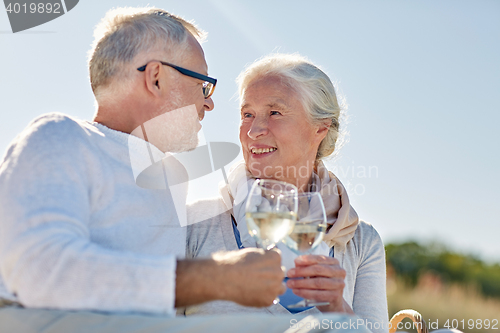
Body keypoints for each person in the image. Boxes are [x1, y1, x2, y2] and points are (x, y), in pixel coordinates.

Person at [0, 5, 288, 322]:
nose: (209, 101)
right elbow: (38, 272)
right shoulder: (61, 136)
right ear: (155, 78)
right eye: (202, 84)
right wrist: (216, 277)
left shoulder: (172, 180)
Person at [184, 54, 389, 333]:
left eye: (275, 113)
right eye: (247, 114)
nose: (254, 130)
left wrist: (338, 309)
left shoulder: (361, 244)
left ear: (320, 127)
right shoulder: (195, 224)